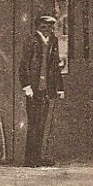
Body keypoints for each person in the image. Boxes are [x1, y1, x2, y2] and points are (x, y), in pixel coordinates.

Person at [19, 14, 64, 167]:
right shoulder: (31, 41)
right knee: (34, 123)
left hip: (47, 89)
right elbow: (24, 65)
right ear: (38, 27)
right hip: (34, 88)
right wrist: (26, 86)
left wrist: (59, 87)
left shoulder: (53, 41)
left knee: (43, 123)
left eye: (50, 27)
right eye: (44, 27)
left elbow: (55, 67)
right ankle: (30, 159)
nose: (47, 30)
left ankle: (38, 157)